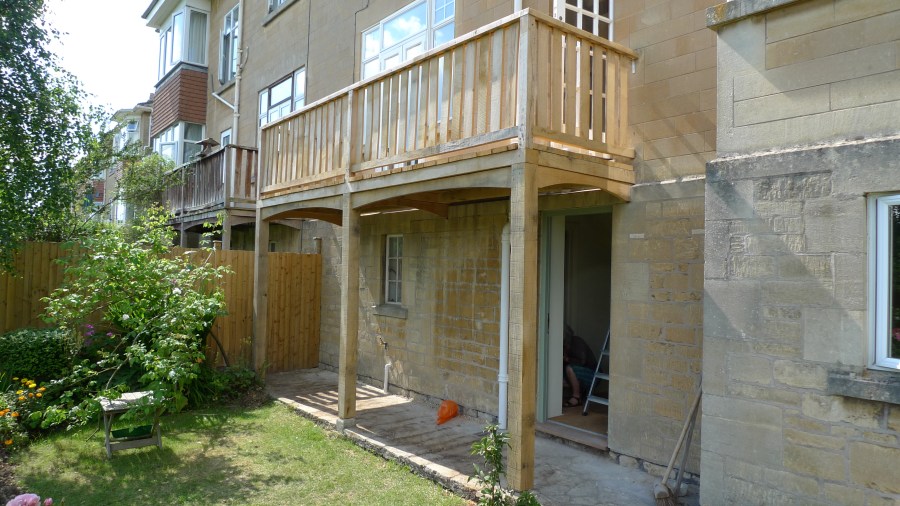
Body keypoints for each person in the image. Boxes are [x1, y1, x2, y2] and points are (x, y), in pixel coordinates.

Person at [563, 326, 597, 407]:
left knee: (569, 368)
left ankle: (576, 397)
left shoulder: (576, 341)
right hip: (579, 372)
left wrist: (566, 359)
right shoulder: (563, 345)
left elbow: (582, 362)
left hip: (593, 374)